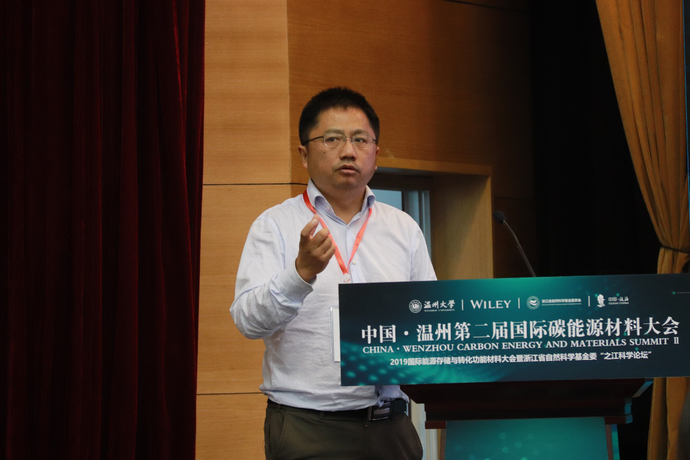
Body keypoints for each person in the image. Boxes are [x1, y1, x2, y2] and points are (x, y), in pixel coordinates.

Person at [230, 87, 436, 460]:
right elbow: (248, 321)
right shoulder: (274, 225)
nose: (348, 151)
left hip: (392, 426)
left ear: (375, 153)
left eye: (360, 140)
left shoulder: (403, 228)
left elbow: (429, 318)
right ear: (304, 154)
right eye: (332, 139)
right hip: (309, 428)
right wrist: (300, 274)